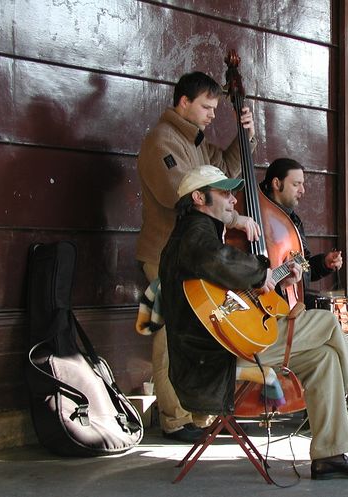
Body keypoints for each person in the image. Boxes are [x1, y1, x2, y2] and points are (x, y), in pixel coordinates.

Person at [159, 165, 348, 479]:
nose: (233, 200)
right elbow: (220, 260)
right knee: (328, 323)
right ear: (198, 197)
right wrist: (261, 271)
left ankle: (330, 456)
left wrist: (265, 279)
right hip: (212, 361)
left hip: (222, 347)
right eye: (224, 193)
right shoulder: (194, 233)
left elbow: (220, 288)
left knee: (325, 358)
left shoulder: (199, 234)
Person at [136, 71, 260, 442]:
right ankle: (174, 419)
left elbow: (225, 170)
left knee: (196, 331)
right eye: (206, 107)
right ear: (183, 102)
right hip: (167, 253)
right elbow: (182, 195)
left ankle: (198, 414)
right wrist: (236, 218)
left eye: (215, 108)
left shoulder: (196, 141)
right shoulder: (163, 142)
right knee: (171, 335)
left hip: (193, 254)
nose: (211, 114)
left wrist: (246, 136)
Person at [259, 158, 342, 305]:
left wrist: (324, 263)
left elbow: (303, 266)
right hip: (268, 302)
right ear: (277, 183)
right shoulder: (258, 216)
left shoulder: (293, 220)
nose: (302, 190)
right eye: (296, 184)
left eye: (302, 184)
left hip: (292, 299)